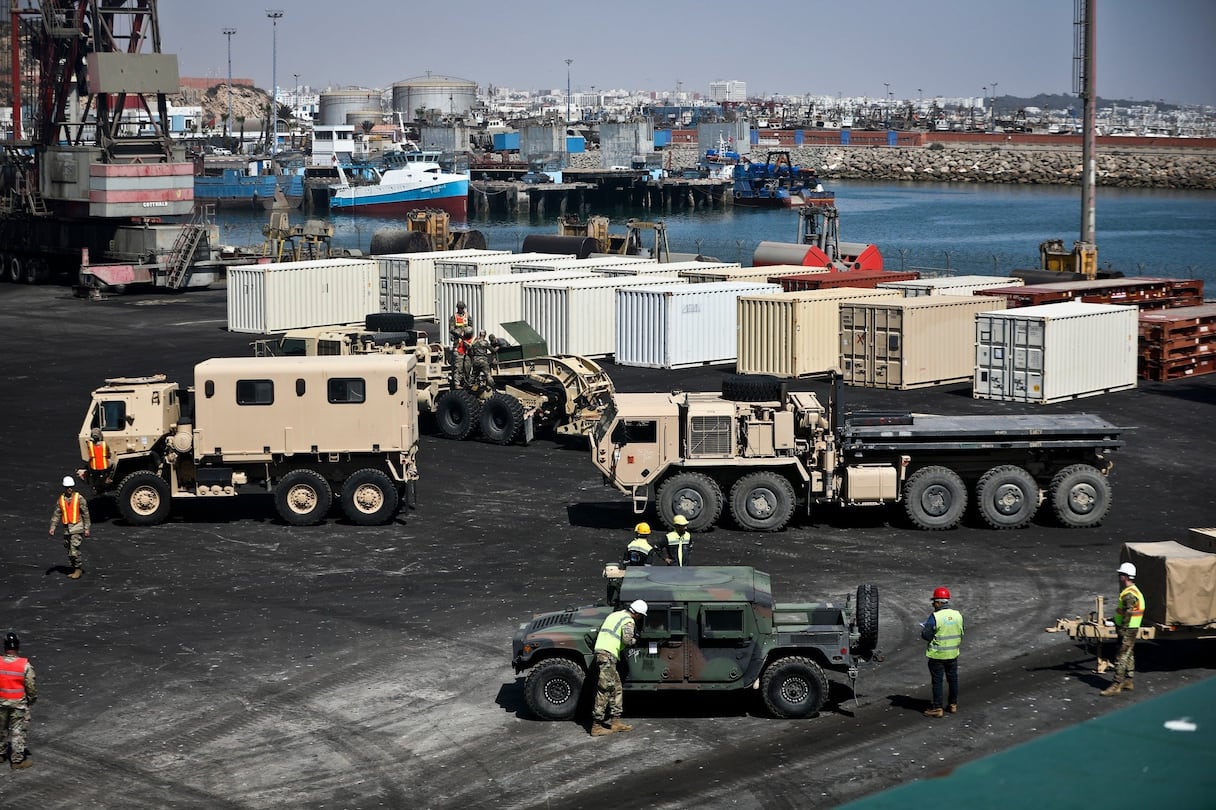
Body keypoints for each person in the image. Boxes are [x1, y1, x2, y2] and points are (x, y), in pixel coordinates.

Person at [591, 599, 647, 737]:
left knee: (616, 687)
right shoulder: (628, 621)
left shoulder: (615, 615)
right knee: (604, 689)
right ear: (638, 614)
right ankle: (596, 726)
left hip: (602, 652)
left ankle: (616, 722)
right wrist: (636, 639)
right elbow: (627, 640)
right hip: (608, 655)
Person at [1101, 562, 1145, 696]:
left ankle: (1116, 684)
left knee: (1121, 656)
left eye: (1121, 574)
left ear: (1125, 576)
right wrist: (1115, 620)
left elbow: (1128, 613)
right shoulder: (1134, 590)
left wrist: (1122, 628)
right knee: (1129, 653)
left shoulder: (1129, 594)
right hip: (1131, 628)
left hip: (1127, 629)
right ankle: (1128, 680)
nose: (1119, 576)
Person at [921, 586, 963, 717]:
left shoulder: (935, 617)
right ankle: (953, 704)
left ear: (939, 602)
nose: (933, 604)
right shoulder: (957, 615)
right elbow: (961, 632)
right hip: (953, 654)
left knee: (937, 681)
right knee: (953, 679)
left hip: (937, 655)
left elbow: (926, 635)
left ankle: (938, 708)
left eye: (934, 602)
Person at [0, 633, 36, 769]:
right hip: (18, 704)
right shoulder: (24, 665)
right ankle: (17, 760)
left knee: (0, 729)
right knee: (17, 732)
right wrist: (31, 700)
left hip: (1, 703)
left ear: (5, 647)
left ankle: (0, 754)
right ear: (18, 647)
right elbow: (30, 686)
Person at [49, 475, 90, 579]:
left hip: (77, 527)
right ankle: (74, 568)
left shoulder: (79, 498)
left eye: (71, 487)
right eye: (67, 487)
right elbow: (56, 514)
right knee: (69, 551)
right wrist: (53, 527)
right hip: (67, 529)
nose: (69, 489)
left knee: (74, 550)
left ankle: (78, 569)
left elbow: (85, 513)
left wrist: (86, 528)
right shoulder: (61, 500)